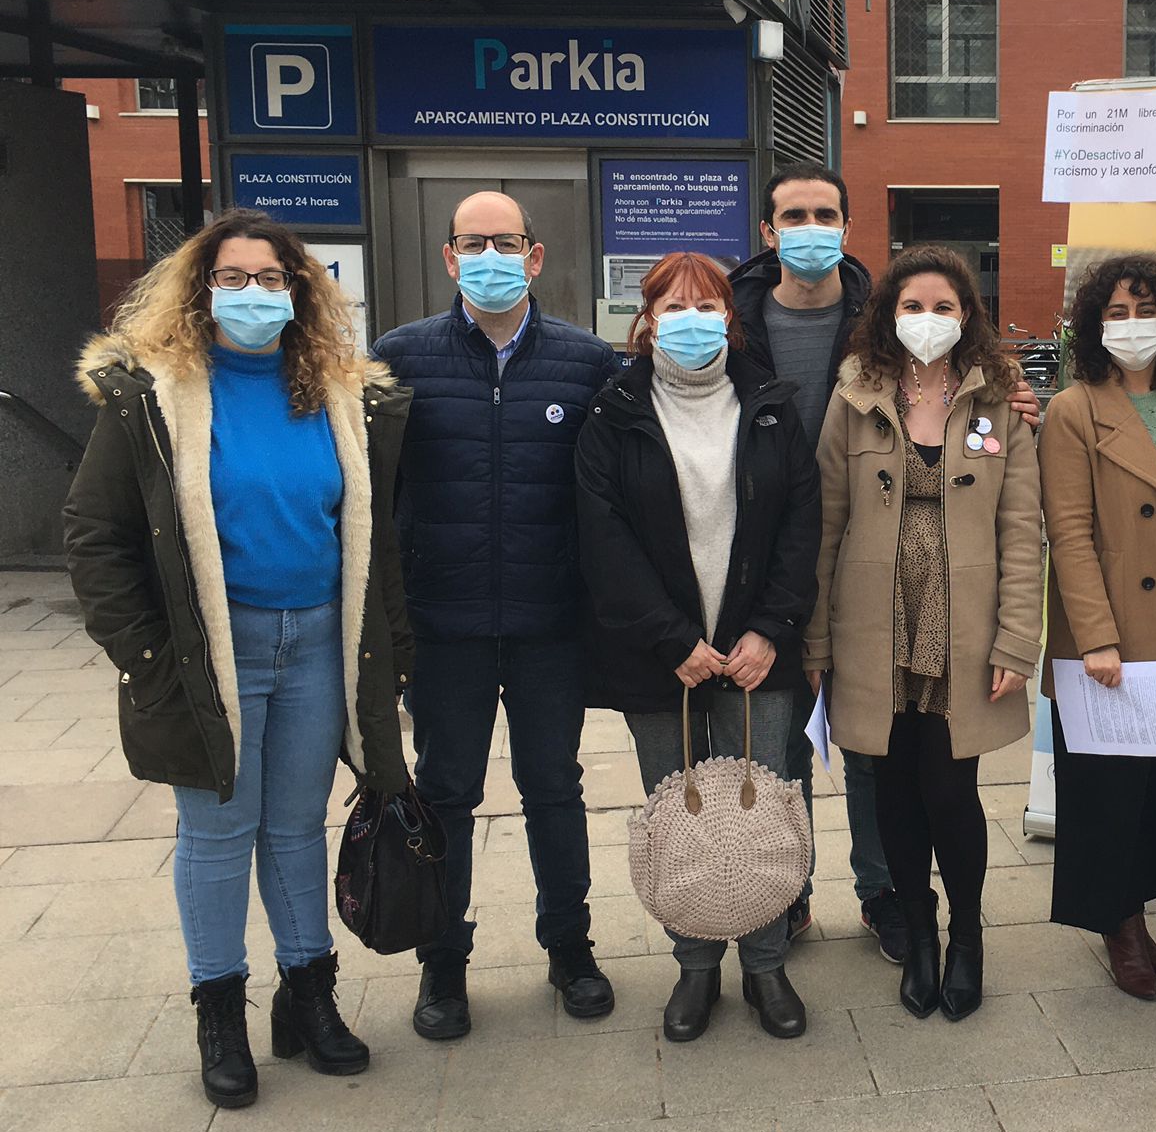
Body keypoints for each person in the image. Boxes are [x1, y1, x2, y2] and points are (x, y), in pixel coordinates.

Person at [65, 210, 413, 1109]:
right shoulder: (152, 396)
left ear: (298, 291)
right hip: (215, 652)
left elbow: (373, 534)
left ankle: (308, 996)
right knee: (218, 834)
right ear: (201, 289)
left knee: (295, 828)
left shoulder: (342, 393)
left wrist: (388, 654)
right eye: (232, 277)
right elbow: (95, 537)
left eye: (270, 278)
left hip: (318, 642)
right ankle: (219, 1010)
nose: (252, 293)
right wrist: (149, 659)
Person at [731, 164, 1041, 957]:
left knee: (895, 766)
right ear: (768, 231)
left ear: (846, 227)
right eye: (793, 216)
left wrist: (1012, 404)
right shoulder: (737, 323)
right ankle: (788, 897)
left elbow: (1018, 519)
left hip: (921, 594)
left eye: (824, 215)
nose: (809, 229)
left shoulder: (873, 324)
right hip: (775, 561)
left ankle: (889, 899)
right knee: (788, 747)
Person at [372, 190, 619, 1040]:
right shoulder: (399, 357)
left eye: (505, 243)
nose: (490, 257)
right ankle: (443, 962)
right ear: (448, 258)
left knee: (554, 788)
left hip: (551, 623)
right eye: (472, 243)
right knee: (445, 795)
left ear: (534, 256)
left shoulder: (586, 361)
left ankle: (570, 949)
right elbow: (373, 494)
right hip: (445, 627)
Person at [577, 251, 821, 1042]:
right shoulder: (613, 414)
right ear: (647, 321)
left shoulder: (772, 406)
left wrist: (770, 631)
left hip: (758, 657)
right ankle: (694, 966)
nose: (690, 320)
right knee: (678, 816)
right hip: (661, 662)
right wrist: (671, 638)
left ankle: (767, 964)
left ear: (729, 317)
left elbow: (801, 529)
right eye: (673, 306)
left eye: (706, 305)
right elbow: (603, 541)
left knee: (762, 812)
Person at [805, 245, 1042, 1023]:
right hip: (873, 620)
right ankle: (920, 936)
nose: (928, 319)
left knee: (950, 788)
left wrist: (1017, 640)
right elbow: (826, 522)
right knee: (894, 791)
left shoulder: (998, 395)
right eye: (913, 306)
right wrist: (816, 641)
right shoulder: (856, 391)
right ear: (888, 313)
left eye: (944, 306)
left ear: (967, 314)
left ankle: (967, 936)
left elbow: (1021, 530)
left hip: (962, 622)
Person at [1041, 256, 1156, 999]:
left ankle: (1141, 912)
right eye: (1115, 312)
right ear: (1093, 326)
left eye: (1145, 309)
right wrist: (1096, 636)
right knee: (1110, 792)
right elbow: (1069, 533)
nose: (1131, 324)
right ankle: (1116, 923)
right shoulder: (1073, 409)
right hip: (1117, 636)